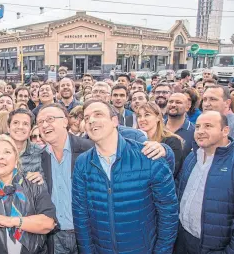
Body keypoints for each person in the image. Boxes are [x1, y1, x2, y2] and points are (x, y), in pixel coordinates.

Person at [72, 100, 178, 253]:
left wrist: (162, 251)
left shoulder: (146, 156)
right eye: (87, 118)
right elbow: (81, 215)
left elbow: (168, 213)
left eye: (98, 114)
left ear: (114, 121)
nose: (91, 120)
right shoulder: (82, 162)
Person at [0, 135, 57, 254]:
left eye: (7, 152)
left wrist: (12, 221)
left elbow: (48, 223)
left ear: (16, 159)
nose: (0, 156)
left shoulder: (33, 184)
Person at [37, 103, 94, 253]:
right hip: (54, 237)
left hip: (87, 233)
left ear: (65, 121)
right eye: (40, 122)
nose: (44, 125)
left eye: (50, 119)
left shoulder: (89, 149)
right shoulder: (38, 158)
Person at [175, 111, 234, 253]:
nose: (200, 131)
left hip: (213, 247)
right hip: (183, 238)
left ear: (225, 130)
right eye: (198, 127)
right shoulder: (192, 156)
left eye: (208, 126)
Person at [137, 102, 184, 177]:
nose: (141, 119)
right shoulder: (135, 141)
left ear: (158, 118)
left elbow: (173, 171)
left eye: (147, 115)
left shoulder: (172, 141)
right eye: (139, 116)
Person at [8, 108, 45, 177]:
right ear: (8, 127)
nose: (20, 127)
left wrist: (42, 176)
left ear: (31, 130)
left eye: (25, 124)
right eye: (16, 123)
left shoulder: (41, 153)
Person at [166, 93, 196, 158]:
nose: (173, 105)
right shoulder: (157, 127)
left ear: (187, 107)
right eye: (170, 102)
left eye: (178, 102)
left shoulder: (194, 132)